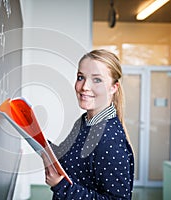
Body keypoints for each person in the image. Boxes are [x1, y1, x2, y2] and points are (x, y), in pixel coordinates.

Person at [42, 49, 134, 199]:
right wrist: (41, 143)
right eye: (80, 77)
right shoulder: (84, 121)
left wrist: (61, 185)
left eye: (97, 80)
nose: (84, 87)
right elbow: (71, 161)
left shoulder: (110, 138)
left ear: (113, 87)